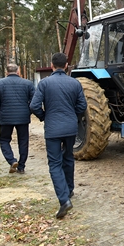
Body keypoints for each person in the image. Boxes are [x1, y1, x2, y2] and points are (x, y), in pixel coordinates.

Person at [30, 52, 87, 219]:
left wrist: (43, 116)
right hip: (70, 129)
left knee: (55, 164)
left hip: (53, 130)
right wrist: (72, 117)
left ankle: (64, 200)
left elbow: (34, 105)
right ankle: (69, 191)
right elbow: (82, 105)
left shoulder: (44, 83)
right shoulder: (75, 83)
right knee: (68, 158)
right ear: (67, 65)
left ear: (52, 65)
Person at [0, 64, 35, 174]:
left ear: (6, 72)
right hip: (23, 117)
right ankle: (21, 166)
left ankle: (12, 160)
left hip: (5, 117)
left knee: (4, 140)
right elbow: (34, 101)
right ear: (18, 71)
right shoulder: (28, 83)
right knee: (23, 141)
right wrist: (28, 112)